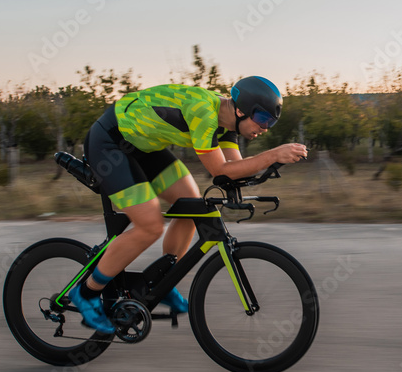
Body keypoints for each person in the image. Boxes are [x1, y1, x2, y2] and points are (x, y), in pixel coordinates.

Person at [70, 76, 307, 333]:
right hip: (110, 142)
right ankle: (87, 292)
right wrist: (272, 154)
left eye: (271, 122)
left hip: (143, 145)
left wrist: (273, 164)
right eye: (263, 119)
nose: (266, 128)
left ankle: (164, 280)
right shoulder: (203, 112)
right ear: (241, 110)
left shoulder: (227, 125)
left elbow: (234, 172)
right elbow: (220, 169)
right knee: (150, 226)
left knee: (191, 205)